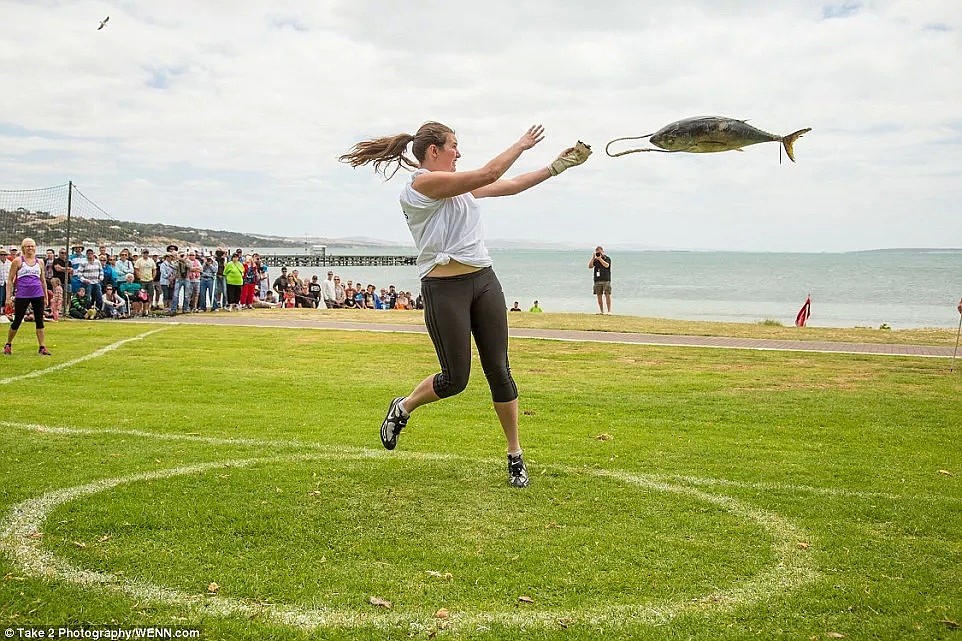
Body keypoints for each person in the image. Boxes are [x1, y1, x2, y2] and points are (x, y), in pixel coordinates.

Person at [340, 121, 591, 488]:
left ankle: (515, 455)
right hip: (444, 289)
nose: (459, 153)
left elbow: (509, 185)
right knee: (455, 380)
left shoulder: (462, 190)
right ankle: (404, 406)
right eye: (454, 146)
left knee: (500, 371)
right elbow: (491, 171)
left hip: (483, 281)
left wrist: (557, 167)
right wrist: (521, 143)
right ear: (434, 152)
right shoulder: (421, 186)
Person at [4, 238, 52, 355]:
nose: (30, 248)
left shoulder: (39, 262)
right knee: (17, 320)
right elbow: (10, 280)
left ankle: (42, 347)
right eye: (27, 246)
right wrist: (8, 297)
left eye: (32, 246)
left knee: (39, 321)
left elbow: (42, 280)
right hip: (22, 295)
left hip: (37, 294)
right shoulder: (18, 261)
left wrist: (45, 296)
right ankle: (8, 344)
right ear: (23, 248)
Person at [589, 245, 612, 315]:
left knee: (607, 294)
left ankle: (609, 311)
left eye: (599, 252)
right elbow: (590, 266)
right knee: (599, 295)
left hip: (606, 280)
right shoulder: (595, 260)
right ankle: (601, 311)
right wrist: (593, 258)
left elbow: (607, 265)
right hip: (597, 280)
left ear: (603, 251)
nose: (598, 253)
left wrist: (600, 259)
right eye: (597, 252)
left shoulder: (607, 258)